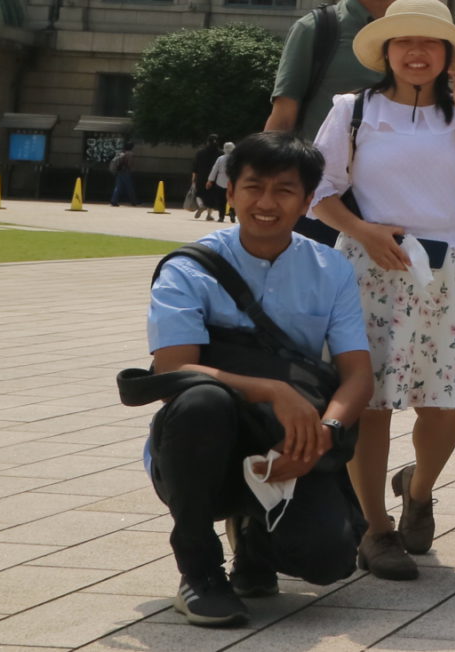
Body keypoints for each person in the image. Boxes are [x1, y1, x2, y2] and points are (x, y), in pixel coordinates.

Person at [310, 0, 455, 580]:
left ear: (449, 53)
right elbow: (319, 187)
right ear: (387, 50)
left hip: (446, 266)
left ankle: (418, 491)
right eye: (405, 41)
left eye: (430, 41)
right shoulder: (354, 109)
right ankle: (375, 528)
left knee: (443, 403)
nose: (417, 52)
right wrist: (362, 229)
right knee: (370, 403)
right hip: (371, 264)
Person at [139, 131, 374, 627]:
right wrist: (273, 388)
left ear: (309, 201)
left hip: (285, 439)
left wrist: (325, 435)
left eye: (285, 190)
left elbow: (357, 376)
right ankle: (199, 570)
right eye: (253, 187)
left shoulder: (331, 267)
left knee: (327, 560)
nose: (266, 203)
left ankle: (254, 543)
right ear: (230, 192)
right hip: (201, 444)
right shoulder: (190, 268)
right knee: (201, 401)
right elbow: (172, 369)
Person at [266, 0, 417, 241]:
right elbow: (282, 119)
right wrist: (271, 195)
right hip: (319, 209)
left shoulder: (423, 37)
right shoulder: (317, 30)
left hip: (400, 210)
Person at [202, 142, 236, 223]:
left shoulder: (220, 158)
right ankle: (232, 213)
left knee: (221, 201)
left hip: (220, 182)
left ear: (224, 149)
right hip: (233, 182)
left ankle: (221, 216)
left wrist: (210, 180)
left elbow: (214, 170)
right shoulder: (237, 159)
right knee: (233, 199)